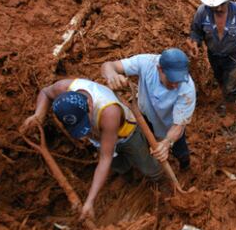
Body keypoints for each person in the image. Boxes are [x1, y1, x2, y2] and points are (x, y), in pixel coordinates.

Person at [20, 78, 162, 219]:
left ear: (89, 104)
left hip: (127, 134)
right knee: (118, 165)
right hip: (100, 138)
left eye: (84, 121)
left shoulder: (109, 111)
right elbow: (45, 92)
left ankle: (159, 181)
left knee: (146, 165)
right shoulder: (62, 88)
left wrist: (90, 201)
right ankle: (128, 175)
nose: (84, 133)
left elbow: (105, 158)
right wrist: (38, 115)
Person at [101, 48, 196, 170]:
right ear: (160, 69)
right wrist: (112, 75)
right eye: (171, 79)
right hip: (144, 117)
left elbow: (179, 125)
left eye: (179, 80)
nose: (175, 85)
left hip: (170, 125)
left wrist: (167, 143)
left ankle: (185, 165)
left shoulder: (187, 89)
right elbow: (108, 66)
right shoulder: (146, 63)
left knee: (180, 150)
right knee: (148, 142)